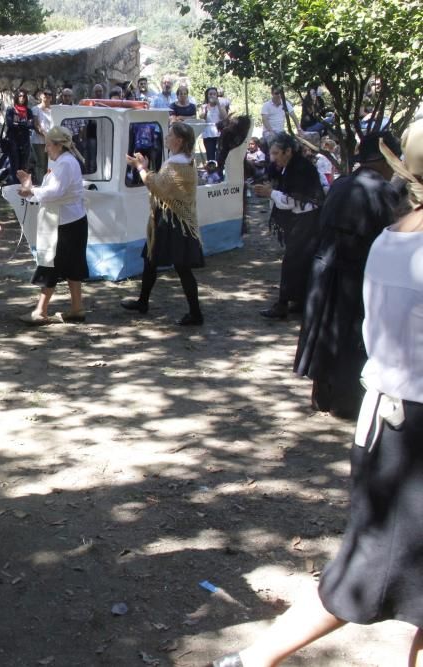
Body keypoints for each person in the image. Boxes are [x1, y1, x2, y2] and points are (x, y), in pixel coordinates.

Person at [211, 118, 423, 667]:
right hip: (410, 427)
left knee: (380, 572)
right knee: (365, 571)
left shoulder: (390, 238)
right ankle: (254, 658)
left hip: (386, 415)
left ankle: (254, 659)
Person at [293, 132, 401, 418]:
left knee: (325, 330)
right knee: (350, 338)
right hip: (355, 271)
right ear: (384, 160)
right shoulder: (383, 191)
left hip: (324, 267)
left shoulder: (341, 183)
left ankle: (322, 394)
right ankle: (345, 402)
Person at [122, 122, 205, 325]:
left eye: (170, 135)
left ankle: (196, 314)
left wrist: (141, 169)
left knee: (182, 267)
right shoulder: (183, 161)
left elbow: (156, 186)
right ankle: (143, 302)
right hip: (170, 217)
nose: (166, 138)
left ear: (179, 140)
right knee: (150, 259)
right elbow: (162, 184)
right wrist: (146, 168)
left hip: (174, 220)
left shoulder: (177, 164)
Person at [15, 125, 89, 324]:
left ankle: (41, 310)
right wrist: (32, 190)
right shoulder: (65, 162)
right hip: (71, 221)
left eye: (48, 145)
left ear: (57, 145)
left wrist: (31, 191)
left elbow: (55, 192)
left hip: (65, 223)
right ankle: (76, 307)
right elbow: (54, 191)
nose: (46, 149)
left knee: (51, 264)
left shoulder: (66, 163)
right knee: (72, 266)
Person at [253, 132, 324, 319]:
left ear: (288, 151)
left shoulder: (300, 169)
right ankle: (298, 300)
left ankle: (283, 304)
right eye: (272, 153)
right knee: (299, 262)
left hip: (308, 219)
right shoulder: (287, 167)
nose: (273, 158)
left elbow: (293, 201)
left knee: (293, 262)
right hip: (301, 219)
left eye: (277, 153)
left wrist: (270, 194)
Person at [3, 89, 35, 185]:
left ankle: (22, 187)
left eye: (24, 96)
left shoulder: (28, 111)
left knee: (23, 166)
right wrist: (24, 123)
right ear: (16, 97)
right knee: (14, 166)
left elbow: (31, 125)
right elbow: (10, 124)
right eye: (20, 96)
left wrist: (18, 123)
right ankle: (14, 187)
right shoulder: (11, 110)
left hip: (25, 142)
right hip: (13, 141)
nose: (22, 98)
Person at [30, 89, 54, 185]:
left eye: (49, 94)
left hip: (51, 141)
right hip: (38, 141)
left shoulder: (54, 109)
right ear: (40, 96)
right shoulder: (36, 109)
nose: (47, 96)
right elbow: (36, 125)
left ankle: (49, 184)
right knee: (41, 164)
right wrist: (46, 135)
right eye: (45, 94)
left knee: (50, 164)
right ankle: (41, 185)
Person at [199, 87, 227, 161]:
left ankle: (219, 171)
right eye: (210, 94)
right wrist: (206, 110)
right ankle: (211, 171)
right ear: (207, 96)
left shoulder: (221, 106)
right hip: (208, 133)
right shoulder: (204, 106)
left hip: (219, 132)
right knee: (210, 155)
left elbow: (225, 117)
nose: (212, 96)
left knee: (220, 155)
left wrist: (218, 104)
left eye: (214, 94)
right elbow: (202, 119)